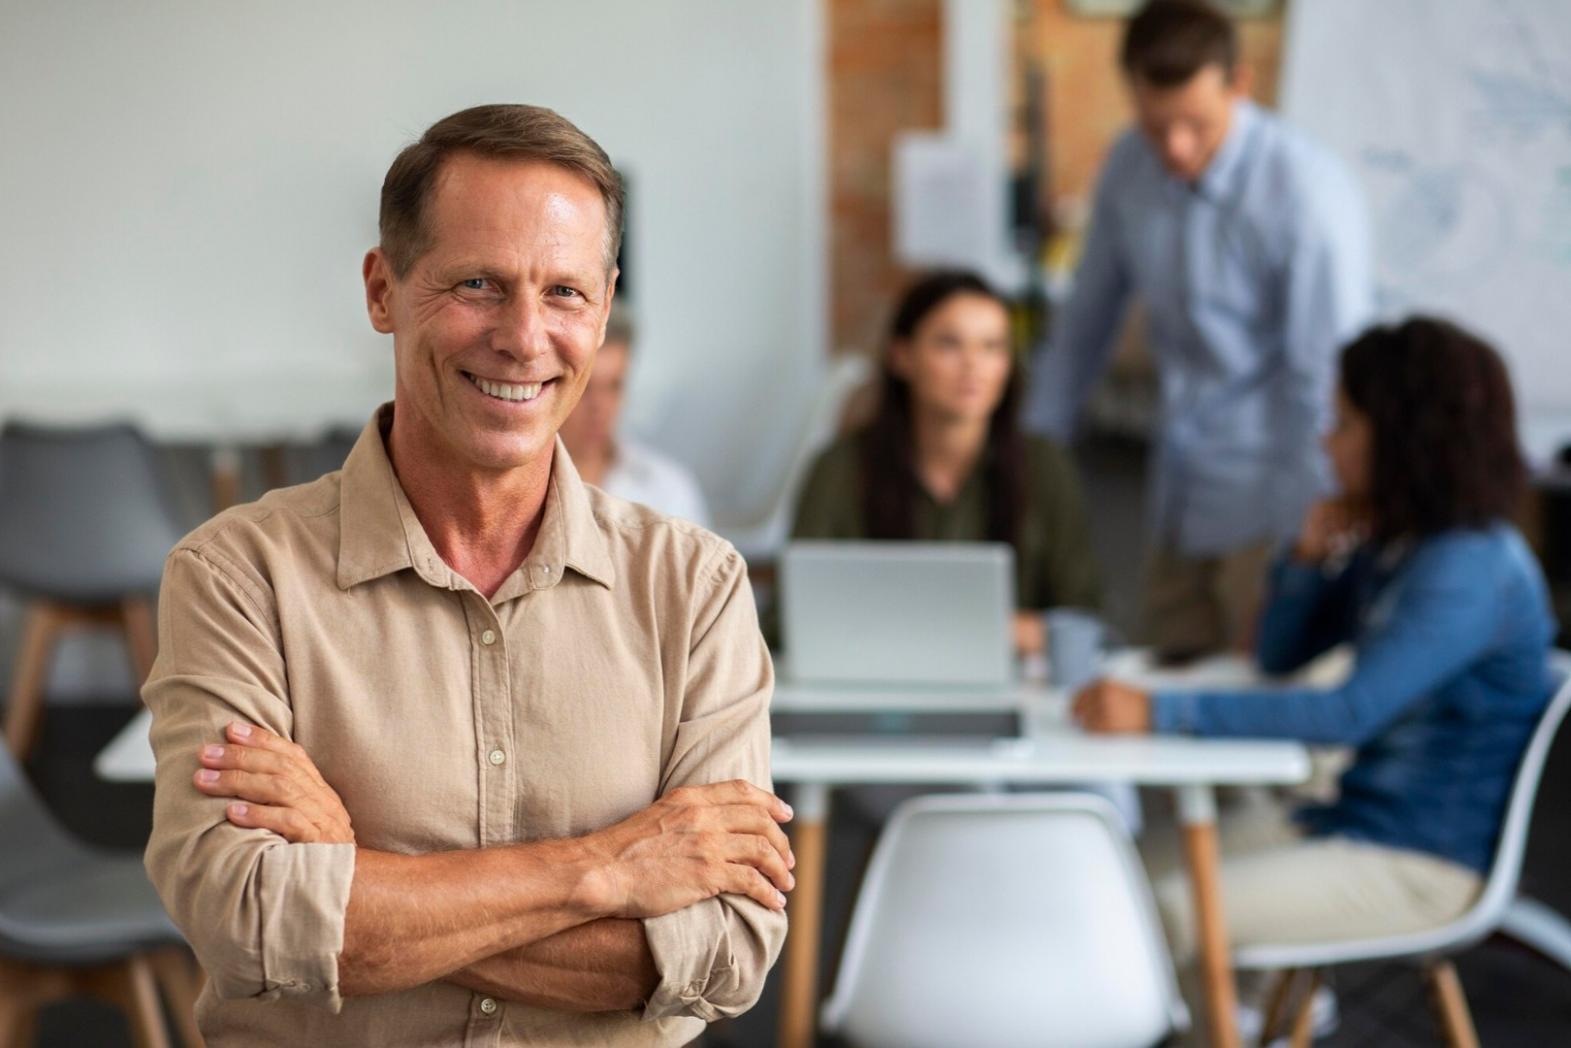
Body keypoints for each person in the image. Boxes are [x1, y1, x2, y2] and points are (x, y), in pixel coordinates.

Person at [141, 104, 791, 1046]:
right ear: (383, 290)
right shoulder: (237, 578)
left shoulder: (696, 589)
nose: (525, 337)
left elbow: (724, 953)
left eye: (564, 293)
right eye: (479, 284)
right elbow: (249, 920)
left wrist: (352, 874)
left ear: (604, 308)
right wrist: (608, 869)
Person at [1074, 317, 1557, 967]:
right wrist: (1305, 558)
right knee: (1107, 873)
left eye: (1344, 424)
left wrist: (1157, 711)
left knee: (1166, 911)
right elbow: (1279, 657)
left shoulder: (1468, 568)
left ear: (1404, 436)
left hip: (1419, 864)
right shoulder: (1405, 545)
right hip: (1345, 821)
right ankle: (1230, 1016)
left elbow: (1344, 715)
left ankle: (1223, 1019)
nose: (1325, 443)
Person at [1026, 0, 1374, 661]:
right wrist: (1031, 456)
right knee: (1160, 687)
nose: (1176, 149)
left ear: (1239, 84)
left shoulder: (1306, 191)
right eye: (1156, 126)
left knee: (1257, 697)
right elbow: (1081, 330)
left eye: (1197, 125)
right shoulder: (1129, 167)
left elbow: (1325, 378)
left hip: (1275, 500)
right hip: (1176, 491)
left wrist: (1307, 544)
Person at [792, 270, 1101, 657]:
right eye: (949, 344)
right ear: (902, 356)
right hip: (870, 677)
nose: (973, 365)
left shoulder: (1045, 466)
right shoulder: (840, 467)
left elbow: (1084, 617)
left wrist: (1016, 631)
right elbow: (791, 615)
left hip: (1016, 679)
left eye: (992, 347)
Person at [558, 305, 711, 526]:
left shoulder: (669, 489)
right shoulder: (519, 489)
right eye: (585, 387)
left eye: (614, 386)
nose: (599, 406)